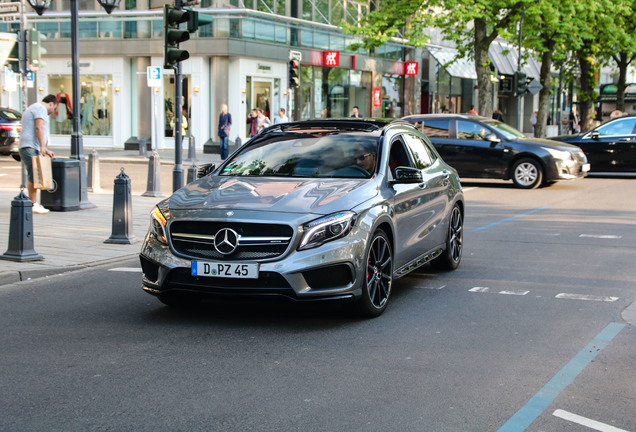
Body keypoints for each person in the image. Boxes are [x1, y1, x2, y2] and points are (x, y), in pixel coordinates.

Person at [18, 94, 57, 214]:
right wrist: (42, 146)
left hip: (29, 146)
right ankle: (33, 204)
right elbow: (39, 128)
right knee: (34, 175)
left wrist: (45, 148)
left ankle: (33, 202)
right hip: (30, 146)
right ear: (51, 103)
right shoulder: (40, 108)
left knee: (34, 174)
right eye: (54, 108)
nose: (53, 111)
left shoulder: (33, 107)